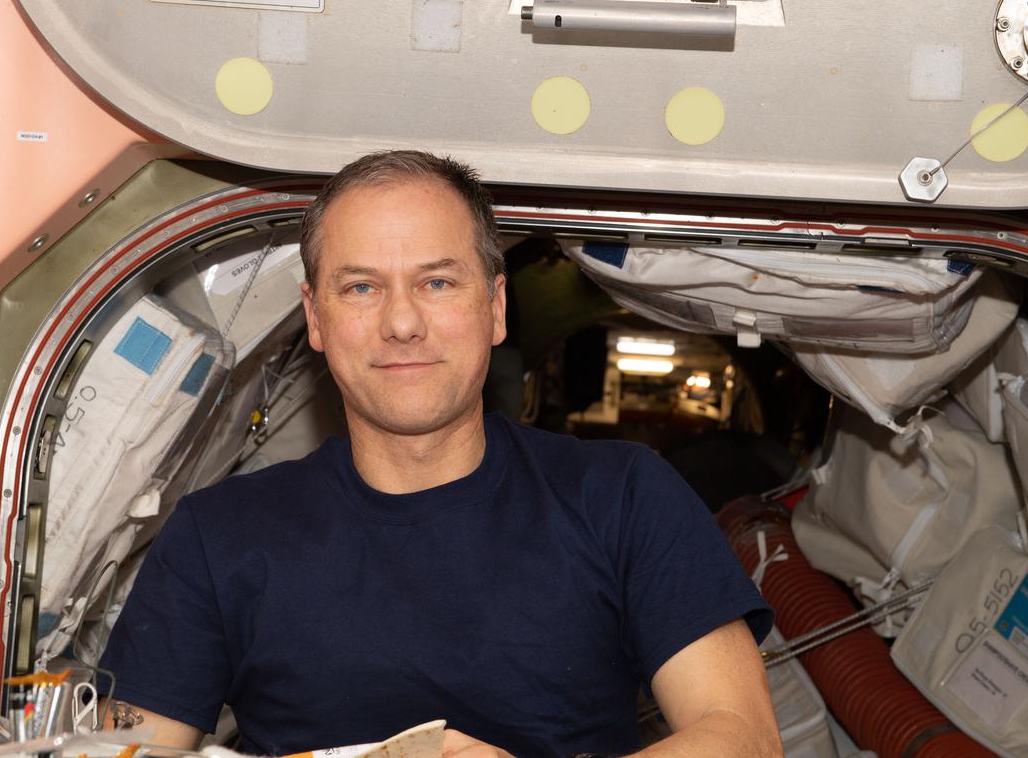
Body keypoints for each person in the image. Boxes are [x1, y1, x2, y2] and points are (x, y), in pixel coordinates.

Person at [97, 151, 781, 757]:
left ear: (495, 306)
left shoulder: (621, 494)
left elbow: (743, 735)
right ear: (315, 317)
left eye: (438, 282)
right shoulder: (216, 535)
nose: (401, 322)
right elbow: (124, 746)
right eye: (361, 286)